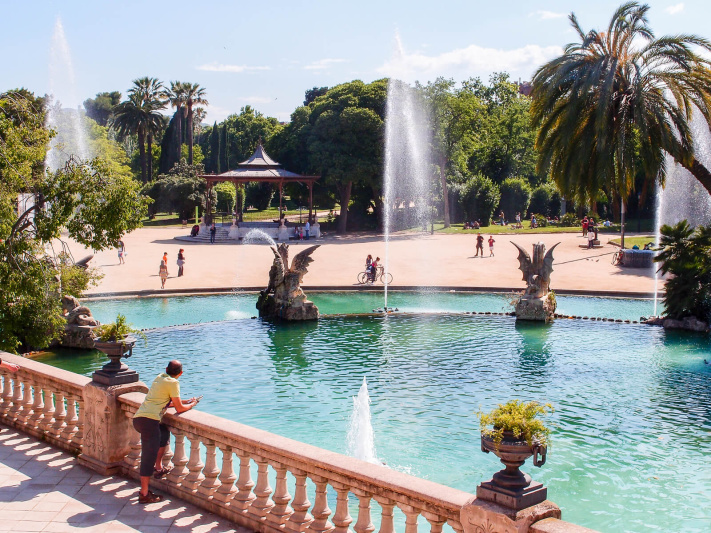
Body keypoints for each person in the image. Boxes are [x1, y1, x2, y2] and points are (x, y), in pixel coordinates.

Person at [132, 360, 199, 504]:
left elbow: (165, 401)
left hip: (139, 418)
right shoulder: (174, 383)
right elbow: (179, 409)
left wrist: (185, 401)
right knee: (147, 458)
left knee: (163, 434)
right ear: (180, 373)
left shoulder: (160, 377)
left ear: (166, 369)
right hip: (149, 422)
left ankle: (159, 468)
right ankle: (144, 494)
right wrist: (192, 404)